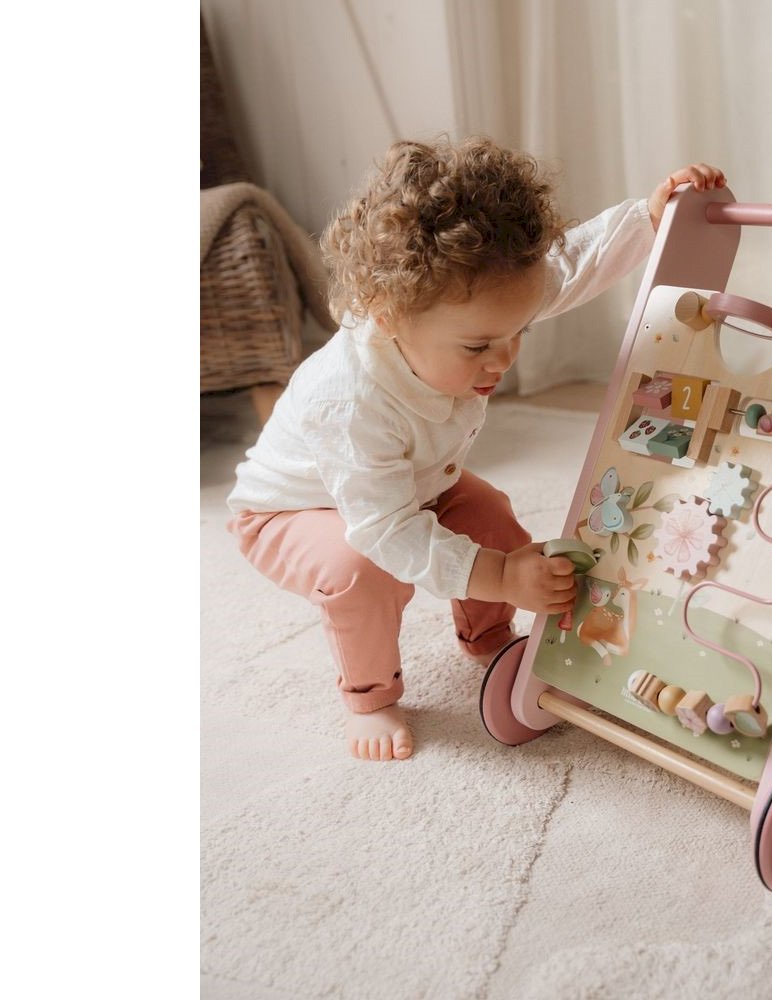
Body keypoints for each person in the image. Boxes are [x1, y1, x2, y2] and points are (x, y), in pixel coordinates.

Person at [226, 135, 726, 762]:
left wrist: (648, 220)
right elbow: (384, 529)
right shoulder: (349, 401)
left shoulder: (466, 306)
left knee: (491, 519)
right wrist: (500, 575)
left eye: (519, 331)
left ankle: (489, 637)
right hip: (293, 512)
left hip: (414, 487)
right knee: (362, 573)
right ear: (386, 316)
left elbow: (568, 265)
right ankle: (370, 694)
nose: (505, 358)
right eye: (477, 347)